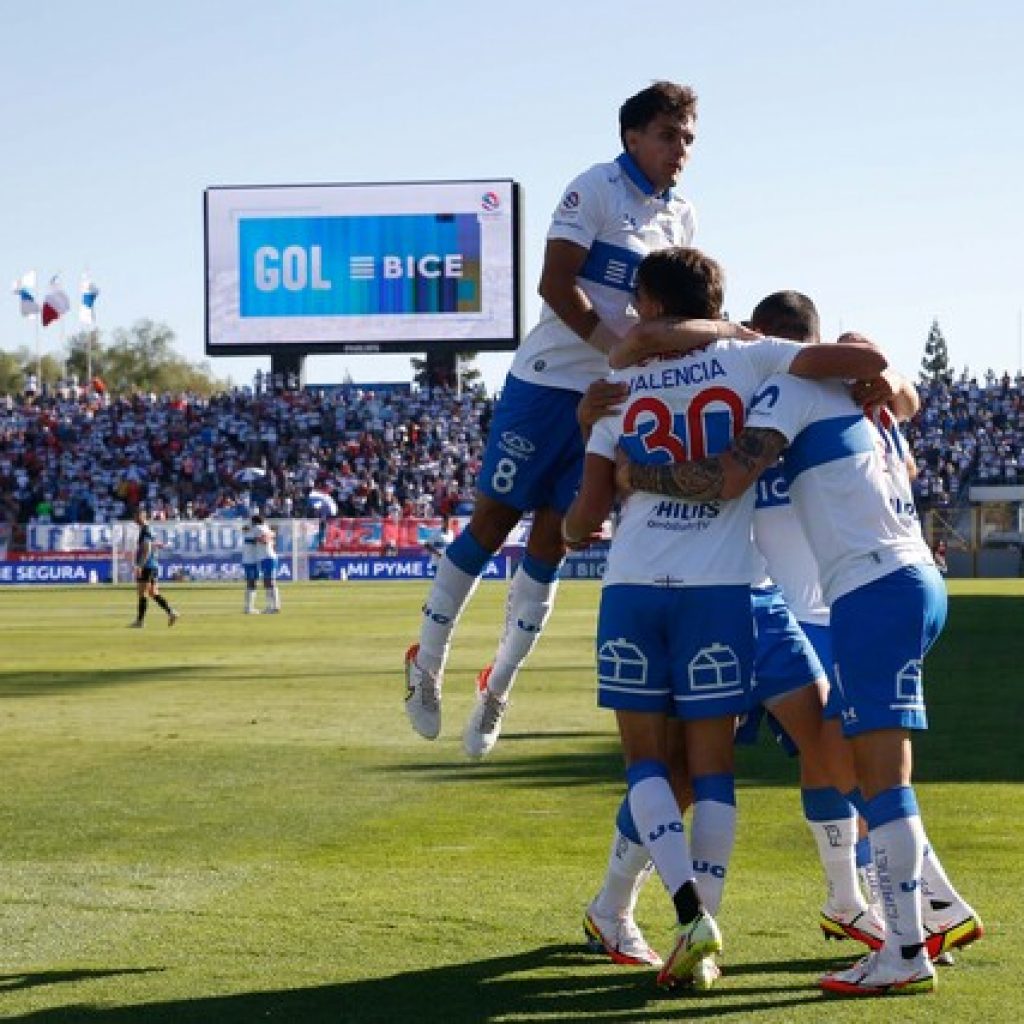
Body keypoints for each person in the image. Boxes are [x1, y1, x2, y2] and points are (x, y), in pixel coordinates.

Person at [614, 293, 982, 997]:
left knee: (872, 780)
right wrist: (893, 381)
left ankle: (905, 949)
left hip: (858, 591)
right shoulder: (849, 390)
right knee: (841, 760)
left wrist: (635, 476)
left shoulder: (788, 389)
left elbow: (729, 478)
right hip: (892, 583)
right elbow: (889, 387)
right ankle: (913, 912)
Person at [562, 248, 887, 988]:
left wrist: (895, 383)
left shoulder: (639, 380)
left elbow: (888, 385)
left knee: (819, 743)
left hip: (735, 593)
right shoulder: (753, 364)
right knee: (694, 770)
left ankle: (844, 899)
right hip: (726, 589)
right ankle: (617, 907)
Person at [403, 81, 701, 758]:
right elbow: (554, 283)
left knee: (553, 544)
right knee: (492, 521)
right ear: (632, 137)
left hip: (611, 398)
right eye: (667, 135)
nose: (679, 149)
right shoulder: (593, 189)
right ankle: (427, 660)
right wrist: (615, 347)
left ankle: (497, 685)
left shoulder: (682, 216)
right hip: (544, 383)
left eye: (687, 138)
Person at [129, 508, 178, 628]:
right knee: (153, 593)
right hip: (153, 565)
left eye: (136, 516)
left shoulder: (145, 530)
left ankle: (140, 622)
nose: (134, 519)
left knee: (142, 593)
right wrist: (159, 545)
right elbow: (151, 544)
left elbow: (146, 548)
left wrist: (140, 566)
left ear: (142, 516)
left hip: (147, 565)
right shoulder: (148, 529)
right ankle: (171, 612)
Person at [252, 514, 281, 613]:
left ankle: (275, 606)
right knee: (267, 582)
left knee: (270, 582)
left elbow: (265, 540)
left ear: (254, 522)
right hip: (267, 557)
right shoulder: (265, 527)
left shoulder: (258, 528)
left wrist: (257, 539)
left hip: (268, 557)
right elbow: (273, 535)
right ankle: (270, 606)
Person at [242, 514, 262, 614]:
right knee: (251, 583)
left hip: (250, 560)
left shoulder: (250, 529)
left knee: (252, 583)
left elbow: (244, 528)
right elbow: (257, 540)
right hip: (250, 561)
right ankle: (249, 608)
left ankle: (249, 607)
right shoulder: (253, 531)